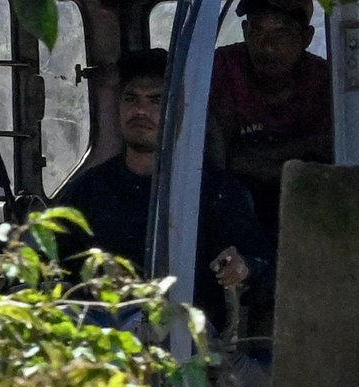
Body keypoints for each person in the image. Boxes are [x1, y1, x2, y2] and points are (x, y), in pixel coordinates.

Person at [55, 49, 259, 313]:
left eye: (156, 101)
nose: (140, 110)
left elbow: (259, 265)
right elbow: (53, 267)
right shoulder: (87, 192)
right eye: (131, 99)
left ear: (178, 111)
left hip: (189, 341)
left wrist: (243, 268)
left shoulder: (216, 193)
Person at [209, 0, 335, 207]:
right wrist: (302, 149)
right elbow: (221, 161)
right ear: (245, 31)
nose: (267, 46)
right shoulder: (222, 69)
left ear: (306, 37)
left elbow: (328, 157)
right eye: (257, 30)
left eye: (282, 32)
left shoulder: (324, 82)